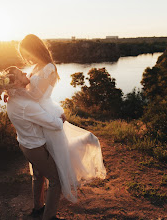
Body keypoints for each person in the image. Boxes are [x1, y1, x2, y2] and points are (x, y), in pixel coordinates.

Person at [16, 34, 106, 202]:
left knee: (56, 156)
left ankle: (52, 203)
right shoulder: (35, 67)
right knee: (39, 166)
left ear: (35, 49)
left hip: (44, 114)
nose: (26, 58)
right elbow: (34, 93)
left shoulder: (49, 67)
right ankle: (39, 206)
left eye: (26, 53)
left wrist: (14, 92)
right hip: (36, 114)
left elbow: (37, 95)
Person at [5, 66, 65, 220]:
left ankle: (38, 208)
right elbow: (55, 124)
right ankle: (49, 217)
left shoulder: (12, 99)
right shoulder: (26, 105)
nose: (26, 73)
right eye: (21, 73)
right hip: (36, 147)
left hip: (25, 144)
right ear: (17, 82)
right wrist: (60, 119)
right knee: (56, 180)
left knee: (38, 176)